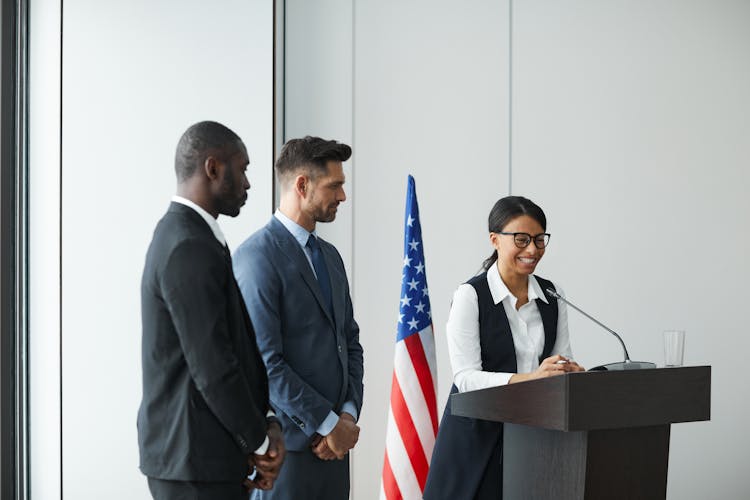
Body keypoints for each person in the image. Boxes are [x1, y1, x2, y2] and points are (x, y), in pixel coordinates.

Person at [138, 121, 285, 500]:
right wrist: (258, 441)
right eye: (244, 168)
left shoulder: (192, 237)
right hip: (193, 463)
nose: (249, 183)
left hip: (202, 459)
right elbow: (214, 367)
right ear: (213, 168)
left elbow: (235, 352)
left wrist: (265, 423)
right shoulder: (188, 244)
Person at [423, 195, 585, 500]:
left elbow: (560, 359)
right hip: (476, 440)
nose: (533, 250)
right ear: (495, 240)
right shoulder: (470, 295)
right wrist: (531, 379)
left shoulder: (553, 295)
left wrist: (569, 370)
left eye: (539, 240)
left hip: (535, 436)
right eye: (521, 240)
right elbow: (466, 378)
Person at [233, 136, 364, 500]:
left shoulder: (331, 257)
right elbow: (266, 364)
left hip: (335, 453)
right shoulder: (257, 257)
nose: (342, 196)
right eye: (334, 185)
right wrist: (326, 423)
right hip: (286, 455)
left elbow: (349, 342)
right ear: (302, 185)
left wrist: (347, 418)